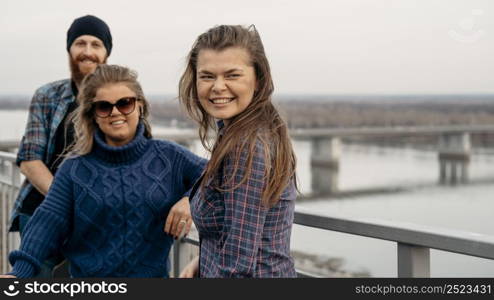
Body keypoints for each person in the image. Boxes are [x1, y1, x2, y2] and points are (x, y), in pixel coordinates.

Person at [2, 64, 206, 278]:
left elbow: (216, 173)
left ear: (140, 107)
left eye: (125, 103)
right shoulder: (74, 169)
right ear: (93, 115)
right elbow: (47, 221)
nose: (115, 112)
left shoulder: (169, 157)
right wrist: (19, 273)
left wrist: (190, 199)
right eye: (103, 107)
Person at [178, 25, 298, 278]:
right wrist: (204, 261)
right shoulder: (240, 131)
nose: (218, 87)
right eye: (207, 76)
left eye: (232, 75)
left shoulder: (248, 146)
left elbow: (237, 268)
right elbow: (240, 232)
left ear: (258, 80)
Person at [8, 15, 112, 277]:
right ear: (69, 49)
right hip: (42, 212)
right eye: (80, 43)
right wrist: (68, 203)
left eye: (96, 44)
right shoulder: (47, 95)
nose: (87, 52)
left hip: (96, 220)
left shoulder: (119, 98)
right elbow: (30, 161)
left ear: (106, 53)